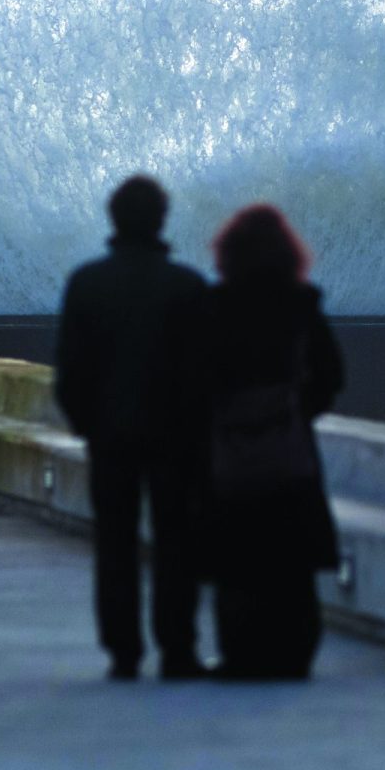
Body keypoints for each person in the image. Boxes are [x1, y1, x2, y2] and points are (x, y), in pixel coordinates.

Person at [53, 175, 211, 681]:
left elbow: (70, 370)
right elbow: (203, 372)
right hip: (174, 438)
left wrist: (87, 425)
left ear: (113, 219)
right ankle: (178, 649)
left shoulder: (87, 283)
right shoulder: (186, 285)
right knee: (176, 541)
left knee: (115, 543)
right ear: (161, 220)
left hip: (111, 435)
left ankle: (123, 651)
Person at [201, 203, 343, 680]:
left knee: (237, 560)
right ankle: (296, 654)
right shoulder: (301, 304)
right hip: (288, 450)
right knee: (291, 560)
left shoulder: (215, 308)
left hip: (231, 454)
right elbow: (331, 375)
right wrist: (298, 413)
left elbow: (191, 379)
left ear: (229, 254)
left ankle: (241, 657)